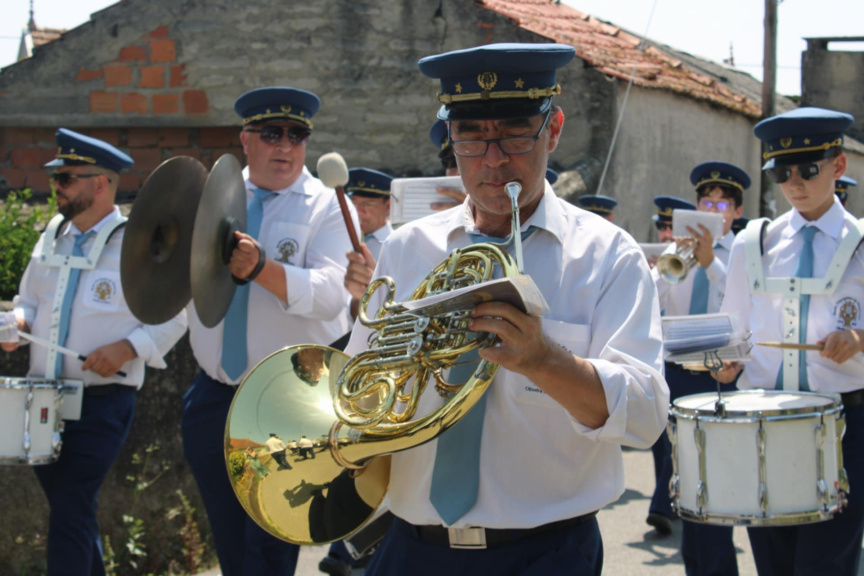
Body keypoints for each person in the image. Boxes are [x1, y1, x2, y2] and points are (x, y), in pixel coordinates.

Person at [343, 42, 668, 576]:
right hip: (411, 548)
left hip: (546, 554)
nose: (492, 159)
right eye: (471, 136)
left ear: (553, 129)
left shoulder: (608, 255)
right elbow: (358, 392)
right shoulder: (406, 248)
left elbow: (646, 419)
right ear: (450, 138)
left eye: (516, 133)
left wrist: (545, 360)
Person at [181, 86, 358, 576]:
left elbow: (332, 295)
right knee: (230, 543)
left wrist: (262, 269)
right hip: (213, 395)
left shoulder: (327, 206)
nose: (285, 146)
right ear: (246, 139)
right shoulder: (210, 198)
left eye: (297, 135)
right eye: (271, 134)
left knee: (270, 549)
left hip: (286, 403)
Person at [0, 128, 187, 576]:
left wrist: (127, 348)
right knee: (73, 509)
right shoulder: (53, 234)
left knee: (71, 504)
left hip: (102, 401)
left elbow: (176, 315)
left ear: (100, 184)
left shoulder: (138, 242)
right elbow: (30, 301)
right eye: (56, 179)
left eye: (66, 179)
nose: (56, 188)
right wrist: (19, 324)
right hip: (42, 398)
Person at [716, 107, 864, 576]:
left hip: (845, 425)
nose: (794, 184)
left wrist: (859, 338)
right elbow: (734, 331)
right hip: (764, 423)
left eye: (808, 170)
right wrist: (726, 362)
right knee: (774, 562)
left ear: (838, 166)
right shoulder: (754, 243)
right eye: (782, 173)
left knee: (826, 564)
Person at [648, 161, 748, 574]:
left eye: (722, 205)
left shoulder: (743, 253)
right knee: (685, 485)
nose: (714, 210)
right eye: (707, 202)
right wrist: (675, 261)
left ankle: (718, 567)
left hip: (720, 378)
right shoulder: (678, 250)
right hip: (677, 375)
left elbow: (744, 307)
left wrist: (711, 264)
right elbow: (649, 301)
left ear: (736, 213)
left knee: (718, 485)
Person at [343, 167, 395, 320]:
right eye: (354, 203)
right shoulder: (340, 238)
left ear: (388, 206)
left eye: (368, 204)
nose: (358, 212)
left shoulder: (395, 246)